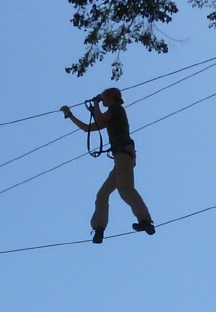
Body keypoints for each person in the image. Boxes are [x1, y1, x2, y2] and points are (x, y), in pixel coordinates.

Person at [61, 87, 154, 244]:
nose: (102, 100)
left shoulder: (116, 108)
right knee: (102, 195)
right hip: (121, 157)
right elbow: (89, 128)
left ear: (111, 97)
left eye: (104, 98)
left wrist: (96, 105)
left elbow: (100, 120)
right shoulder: (111, 112)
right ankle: (99, 229)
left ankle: (145, 220)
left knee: (125, 189)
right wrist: (70, 116)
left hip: (123, 154)